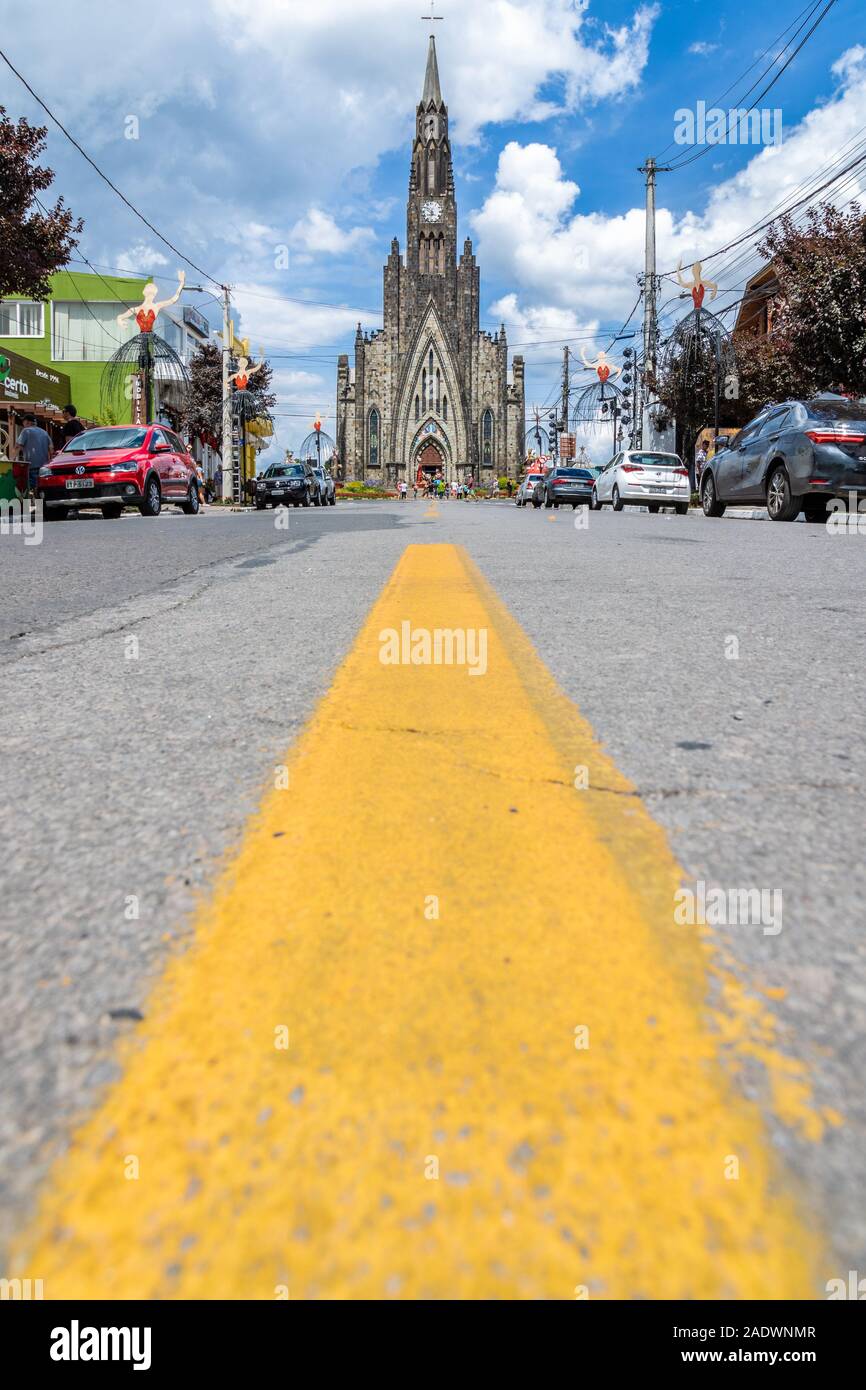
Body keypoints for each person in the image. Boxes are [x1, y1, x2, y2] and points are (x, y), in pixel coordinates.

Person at [16, 414, 52, 496]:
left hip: (31, 466)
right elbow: (51, 448)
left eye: (23, 422)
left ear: (28, 422)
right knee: (40, 489)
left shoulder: (26, 431)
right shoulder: (44, 432)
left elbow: (18, 446)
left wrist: (11, 459)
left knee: (30, 490)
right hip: (44, 467)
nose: (23, 424)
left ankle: (33, 507)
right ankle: (40, 507)